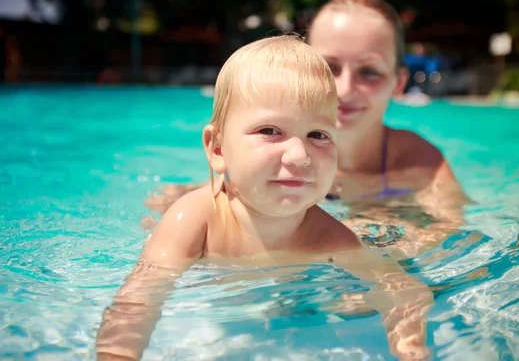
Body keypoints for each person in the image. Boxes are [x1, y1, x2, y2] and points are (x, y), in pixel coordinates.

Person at [96, 36, 432, 361]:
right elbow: (137, 300)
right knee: (160, 213)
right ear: (217, 148)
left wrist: (410, 348)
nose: (299, 156)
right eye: (270, 131)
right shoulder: (195, 221)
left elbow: (403, 290)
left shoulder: (329, 237)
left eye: (318, 135)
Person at [145, 0, 469, 258]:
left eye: (369, 72)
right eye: (328, 67)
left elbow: (448, 233)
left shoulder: (419, 163)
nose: (343, 89)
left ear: (398, 82)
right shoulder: (259, 166)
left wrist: (380, 251)